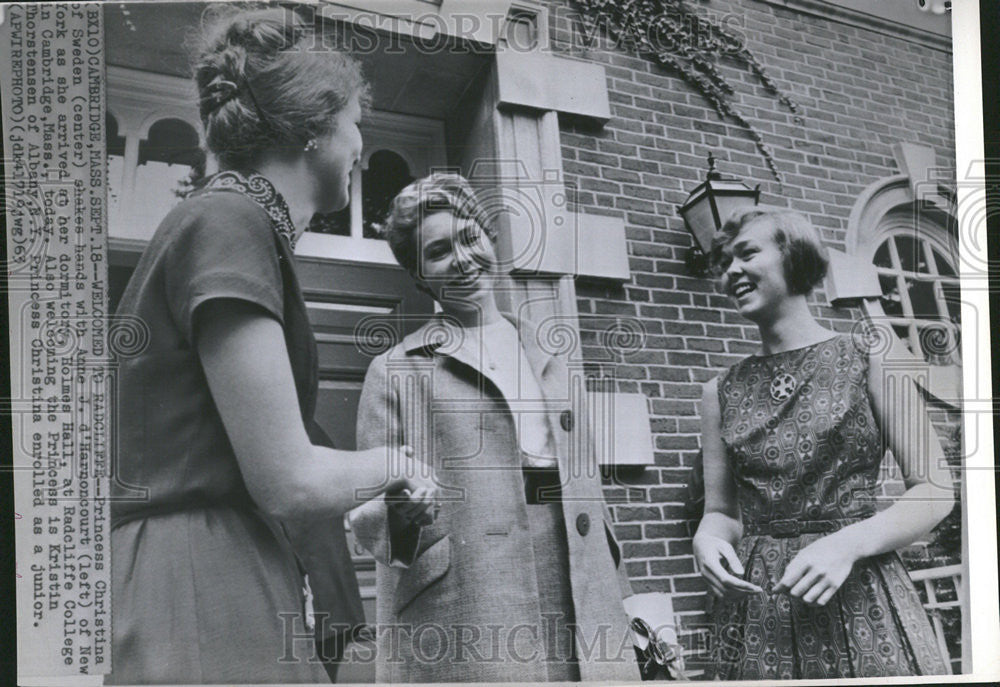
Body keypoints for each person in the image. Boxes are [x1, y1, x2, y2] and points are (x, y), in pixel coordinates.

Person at [108, 8, 435, 684]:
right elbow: (287, 477)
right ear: (315, 130)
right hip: (197, 582)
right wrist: (398, 460)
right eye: (355, 126)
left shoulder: (226, 216)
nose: (359, 149)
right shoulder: (232, 219)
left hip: (207, 569)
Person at [349, 173, 640, 682]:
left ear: (490, 238)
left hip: (575, 567)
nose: (462, 258)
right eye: (439, 252)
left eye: (469, 237)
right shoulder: (396, 369)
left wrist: (624, 594)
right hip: (471, 582)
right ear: (420, 278)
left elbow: (589, 488)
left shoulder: (553, 353)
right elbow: (367, 508)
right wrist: (402, 508)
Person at [692, 207, 954, 679]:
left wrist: (846, 545)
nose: (732, 271)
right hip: (759, 610)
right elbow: (722, 513)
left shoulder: (869, 356)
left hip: (859, 593)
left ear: (795, 257)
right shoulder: (719, 392)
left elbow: (934, 490)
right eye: (725, 263)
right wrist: (707, 539)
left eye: (747, 253)